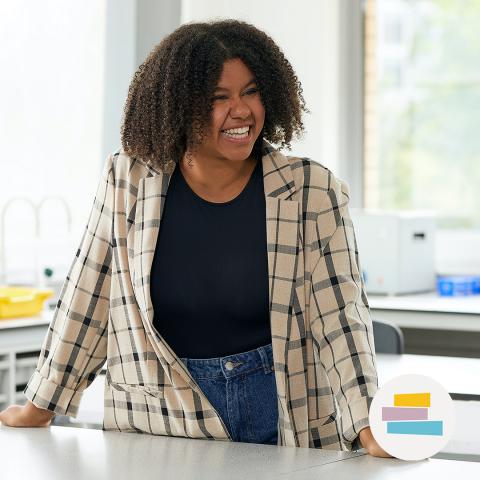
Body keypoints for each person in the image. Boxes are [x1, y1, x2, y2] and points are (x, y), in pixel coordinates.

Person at [0, 19, 391, 457]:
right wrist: (41, 404)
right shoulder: (129, 180)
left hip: (285, 421)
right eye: (217, 98)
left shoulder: (310, 190)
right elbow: (87, 297)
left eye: (251, 91)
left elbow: (341, 316)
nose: (240, 111)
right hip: (160, 421)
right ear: (178, 106)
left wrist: (367, 423)